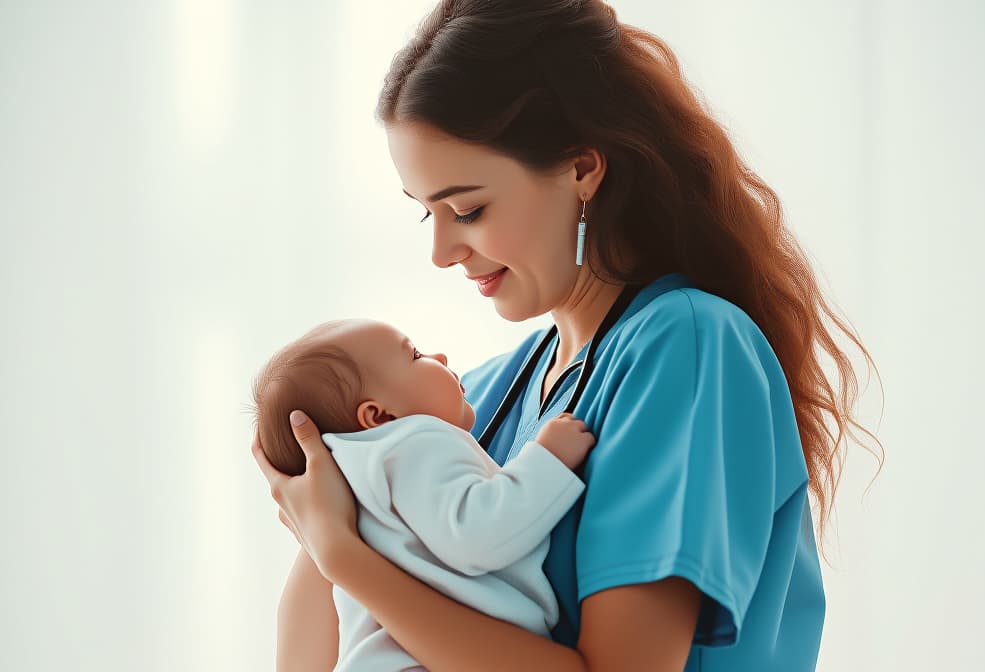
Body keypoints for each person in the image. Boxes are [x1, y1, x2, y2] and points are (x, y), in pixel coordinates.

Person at [251, 1, 882, 670]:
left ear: (583, 169)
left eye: (467, 209)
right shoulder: (475, 397)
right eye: (425, 214)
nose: (441, 252)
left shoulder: (687, 350)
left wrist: (343, 555)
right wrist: (325, 542)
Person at [248, 318, 595, 671]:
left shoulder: (352, 480)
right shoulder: (414, 442)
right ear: (379, 416)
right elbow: (476, 534)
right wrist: (549, 461)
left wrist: (336, 551)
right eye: (415, 354)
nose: (440, 357)